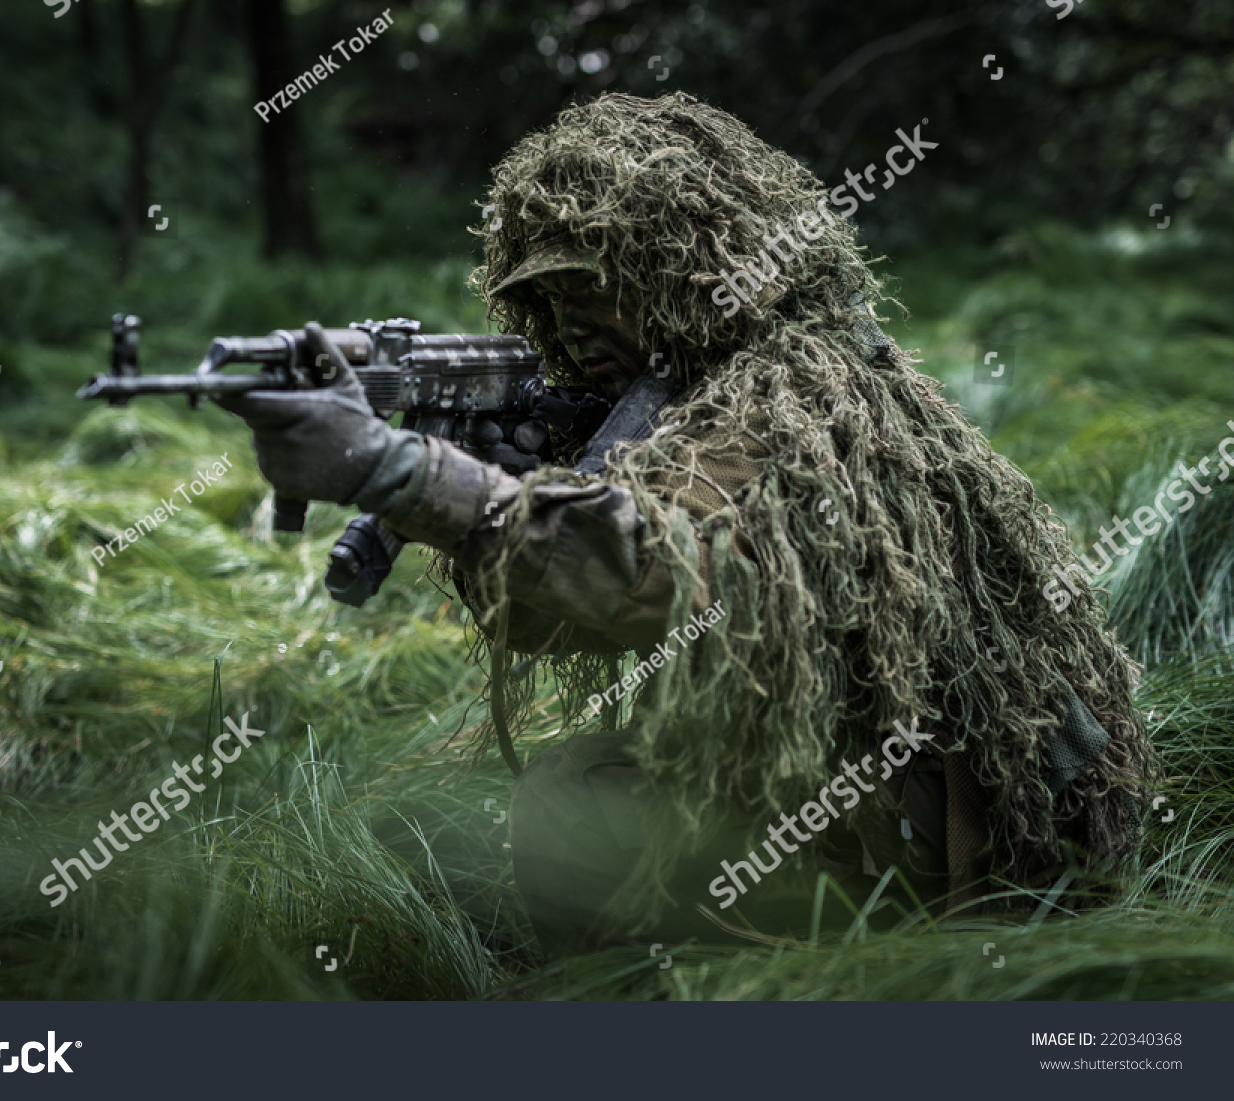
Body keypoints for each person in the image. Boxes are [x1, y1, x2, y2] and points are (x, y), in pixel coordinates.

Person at [216, 92, 1156, 955]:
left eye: (589, 287)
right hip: (906, 785)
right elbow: (559, 612)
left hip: (984, 851)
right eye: (543, 301)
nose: (568, 325)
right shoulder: (731, 383)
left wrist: (411, 474)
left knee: (569, 805)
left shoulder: (787, 398)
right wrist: (489, 491)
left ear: (688, 265)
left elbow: (660, 578)